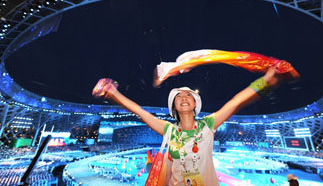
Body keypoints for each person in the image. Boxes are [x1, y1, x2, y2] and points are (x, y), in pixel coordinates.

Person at [92, 66, 282, 186]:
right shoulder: (169, 130)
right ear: (174, 106)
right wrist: (113, 94)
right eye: (178, 97)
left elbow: (236, 101)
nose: (183, 97)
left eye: (188, 95)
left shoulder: (208, 125)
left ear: (195, 104)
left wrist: (265, 80)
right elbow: (141, 112)